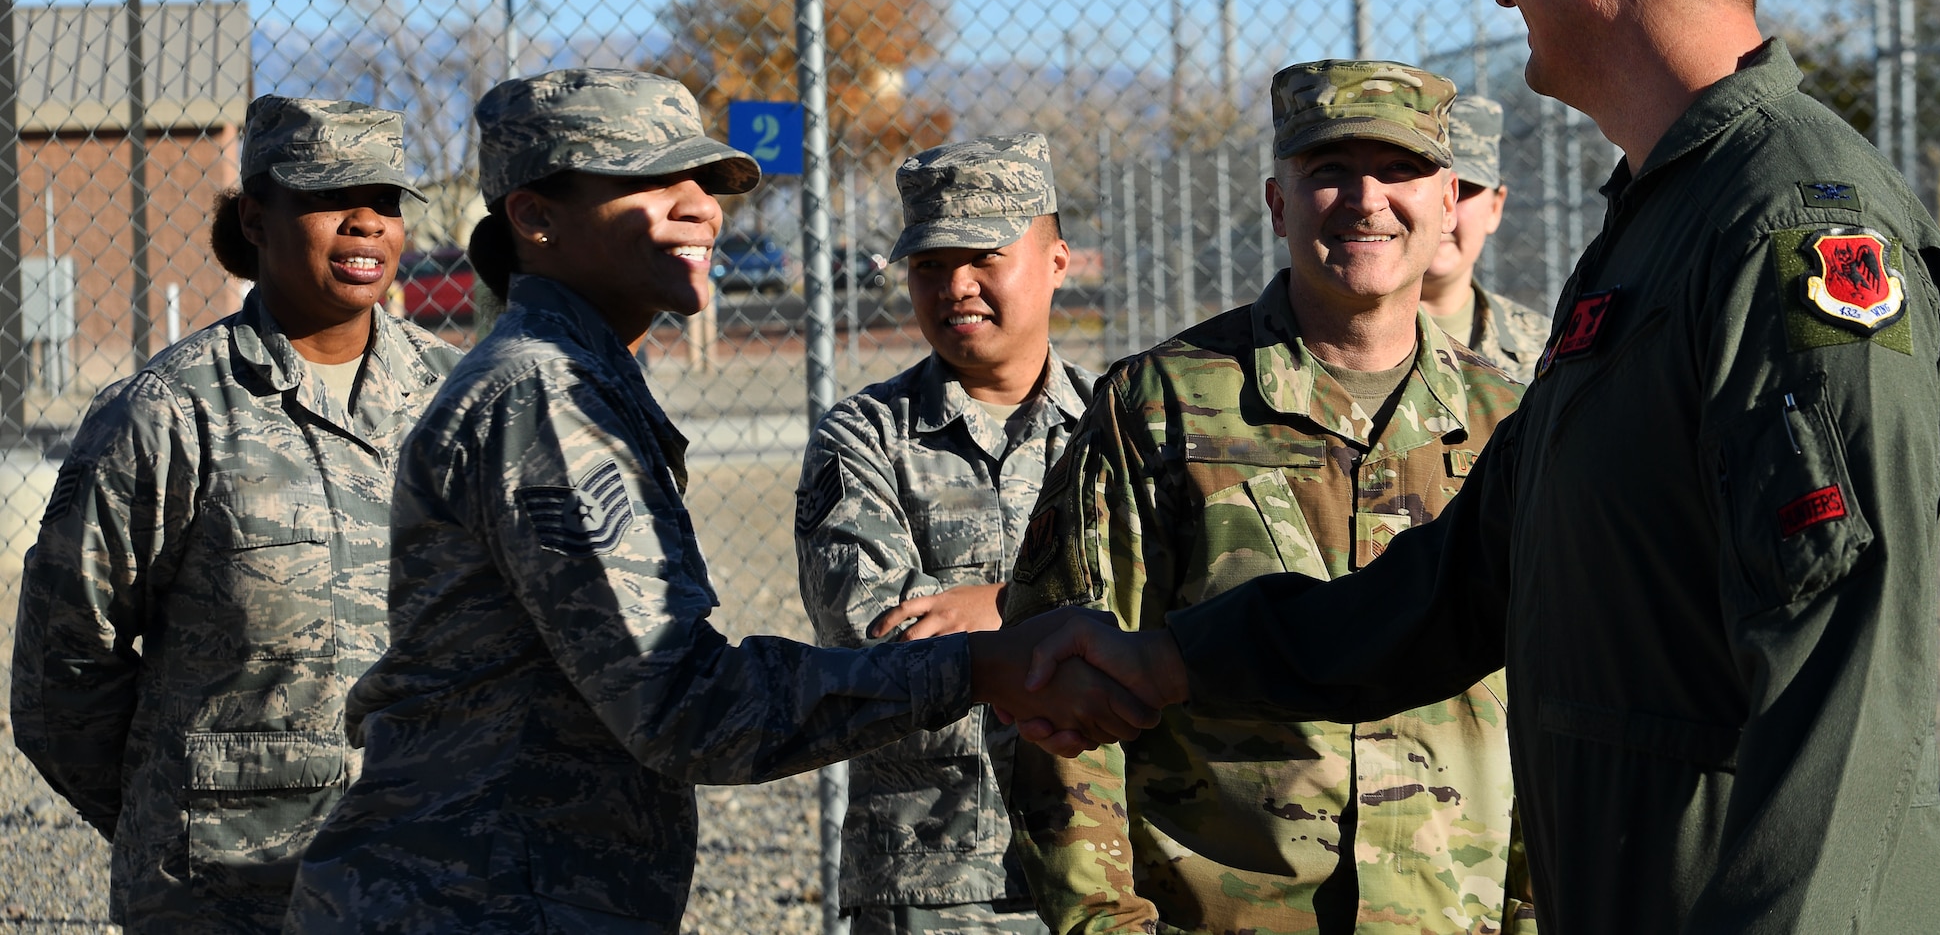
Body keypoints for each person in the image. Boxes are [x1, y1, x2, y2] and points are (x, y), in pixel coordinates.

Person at [1016, 0, 1940, 932]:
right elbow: (1460, 584)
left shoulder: (1788, 232)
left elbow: (1840, 700)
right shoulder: (1658, 226)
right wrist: (1169, 665)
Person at [284, 70, 1157, 934]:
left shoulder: (574, 384)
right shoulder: (545, 399)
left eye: (703, 180)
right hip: (478, 897)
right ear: (534, 215)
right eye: (647, 180)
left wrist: (996, 623)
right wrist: (980, 664)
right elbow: (686, 704)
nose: (701, 204)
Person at [1005, 62, 1534, 934]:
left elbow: (1554, 698)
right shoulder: (1160, 407)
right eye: (1328, 170)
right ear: (1278, 202)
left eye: (1399, 169)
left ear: (1450, 203)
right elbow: (1058, 693)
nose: (1366, 199)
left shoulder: (1512, 423)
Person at [11, 98, 460, 933]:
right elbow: (62, 670)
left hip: (429, 873)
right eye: (332, 196)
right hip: (226, 896)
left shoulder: (459, 399)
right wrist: (173, 814)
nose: (367, 222)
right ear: (255, 216)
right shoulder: (167, 414)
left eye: (387, 200)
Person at [796, 133, 1092, 935]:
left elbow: (1168, 607)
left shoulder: (1116, 428)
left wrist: (998, 603)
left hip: (1108, 866)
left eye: (984, 256)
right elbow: (877, 631)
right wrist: (1075, 618)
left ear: (1056, 260)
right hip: (930, 881)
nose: (955, 285)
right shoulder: (864, 437)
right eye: (929, 263)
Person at [1418, 95, 1550, 382]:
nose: (1444, 209)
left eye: (1463, 189)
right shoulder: (1332, 343)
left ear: (1495, 206)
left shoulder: (1546, 348)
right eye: (1425, 187)